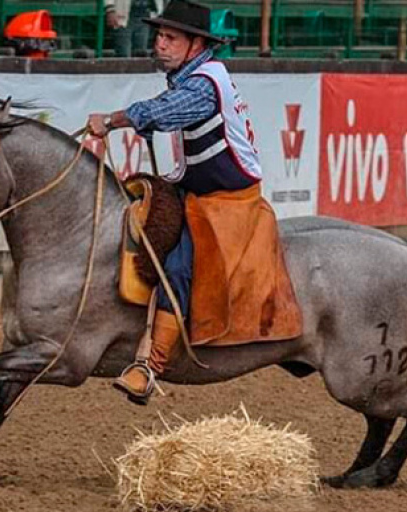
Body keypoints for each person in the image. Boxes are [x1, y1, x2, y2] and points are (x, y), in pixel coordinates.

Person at [88, 0, 293, 405]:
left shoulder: (204, 82)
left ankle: (151, 364)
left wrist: (114, 120)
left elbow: (167, 113)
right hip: (198, 194)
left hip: (227, 203)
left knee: (179, 265)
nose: (159, 45)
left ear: (196, 44)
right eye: (159, 36)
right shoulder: (194, 77)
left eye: (170, 38)